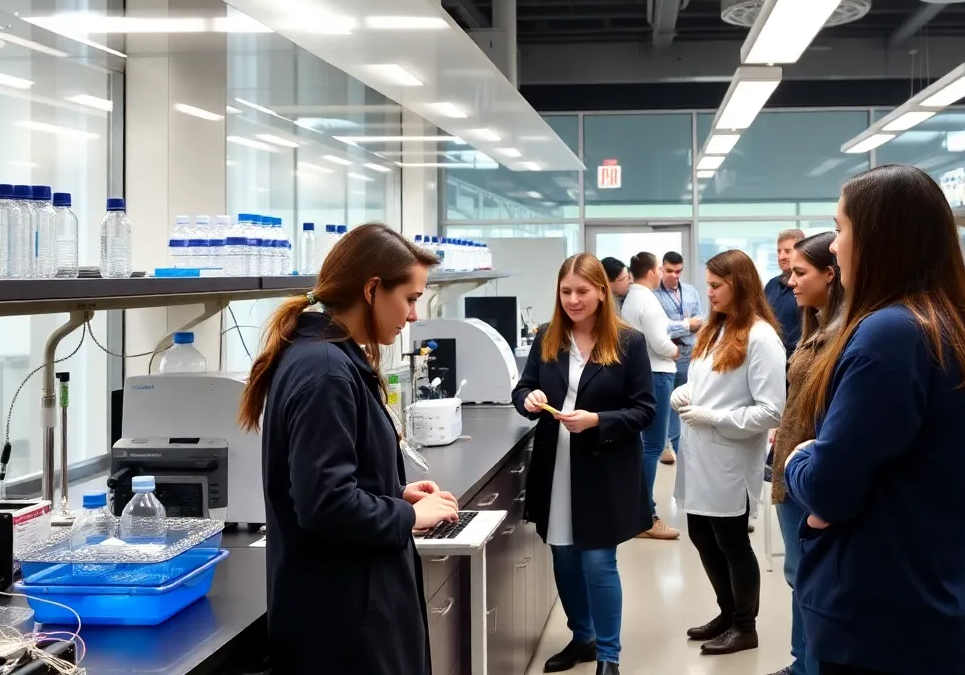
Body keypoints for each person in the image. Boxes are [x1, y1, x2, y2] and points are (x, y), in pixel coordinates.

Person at [784, 164, 965, 675]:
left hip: (879, 619)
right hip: (935, 608)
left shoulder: (890, 335)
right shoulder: (958, 325)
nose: (835, 246)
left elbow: (827, 487)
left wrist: (800, 459)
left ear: (878, 238)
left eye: (841, 229)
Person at [239, 223, 461, 673]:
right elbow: (325, 505)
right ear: (373, 289)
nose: (414, 315)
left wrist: (392, 493)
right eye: (411, 298)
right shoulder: (326, 371)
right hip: (344, 625)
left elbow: (333, 478)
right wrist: (410, 516)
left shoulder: (325, 356)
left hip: (347, 609)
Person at [513, 253, 656, 675]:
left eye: (582, 291)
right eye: (566, 291)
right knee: (564, 557)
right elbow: (523, 388)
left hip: (603, 466)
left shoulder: (628, 342)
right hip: (556, 465)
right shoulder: (547, 337)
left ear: (600, 292)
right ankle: (583, 637)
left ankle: (609, 655)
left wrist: (598, 421)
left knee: (597, 560)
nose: (574, 300)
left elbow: (645, 410)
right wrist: (529, 399)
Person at [672, 249, 784, 656]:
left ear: (739, 285)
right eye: (709, 285)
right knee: (702, 534)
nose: (710, 293)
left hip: (730, 459)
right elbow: (706, 383)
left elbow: (772, 410)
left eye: (716, 286)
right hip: (700, 454)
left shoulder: (761, 337)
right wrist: (687, 394)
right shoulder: (715, 330)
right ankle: (727, 611)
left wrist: (713, 416)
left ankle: (744, 626)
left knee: (733, 542)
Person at [768, 232, 844, 675]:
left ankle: (811, 667)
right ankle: (802, 664)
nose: (790, 281)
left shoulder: (842, 335)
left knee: (811, 580)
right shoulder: (814, 325)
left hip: (812, 475)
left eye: (800, 272)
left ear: (830, 274)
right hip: (793, 470)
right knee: (799, 577)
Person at [621, 250, 682, 540]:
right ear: (651, 271)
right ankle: (646, 516)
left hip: (642, 374)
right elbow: (659, 343)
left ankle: (638, 511)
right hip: (658, 373)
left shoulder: (632, 298)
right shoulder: (648, 299)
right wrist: (675, 351)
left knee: (646, 446)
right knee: (654, 446)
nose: (662, 273)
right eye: (659, 268)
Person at [653, 250, 705, 465]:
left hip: (689, 355)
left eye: (678, 271)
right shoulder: (654, 295)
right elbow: (659, 329)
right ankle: (666, 442)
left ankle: (683, 445)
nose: (674, 275)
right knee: (664, 403)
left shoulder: (691, 292)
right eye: (669, 271)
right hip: (666, 355)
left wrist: (687, 327)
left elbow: (700, 321)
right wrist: (686, 326)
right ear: (660, 270)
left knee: (686, 401)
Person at [764, 229, 805, 358]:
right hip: (770, 356)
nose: (781, 257)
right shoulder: (771, 285)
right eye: (779, 251)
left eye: (788, 251)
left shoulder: (807, 286)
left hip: (796, 361)